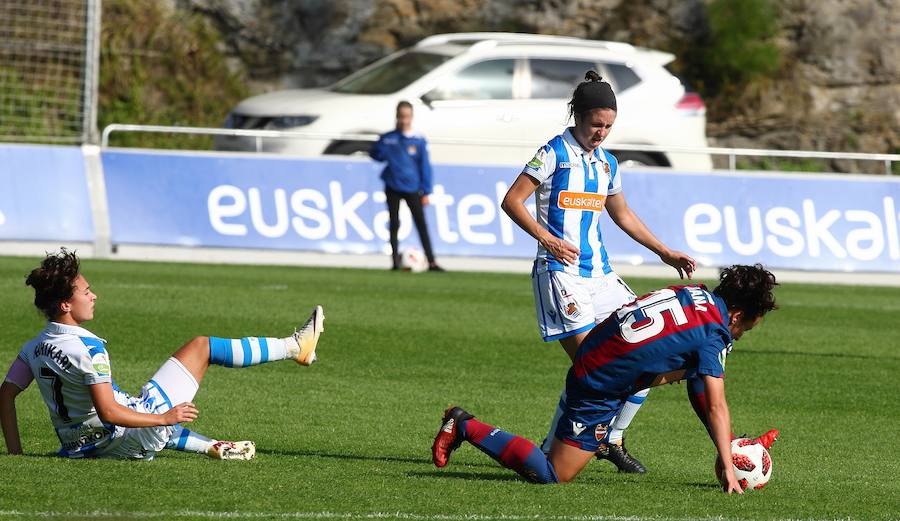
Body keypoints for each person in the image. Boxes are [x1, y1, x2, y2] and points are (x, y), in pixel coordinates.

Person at [432, 264, 779, 491]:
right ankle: (464, 425)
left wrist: (732, 447)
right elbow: (715, 405)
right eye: (748, 327)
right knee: (555, 473)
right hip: (600, 383)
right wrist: (731, 466)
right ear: (736, 315)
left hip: (599, 352)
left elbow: (698, 387)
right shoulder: (715, 333)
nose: (743, 333)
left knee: (690, 373)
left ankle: (577, 436)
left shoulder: (694, 292)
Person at [500, 70, 696, 472]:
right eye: (595, 125)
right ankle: (553, 444)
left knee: (647, 355)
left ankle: (612, 438)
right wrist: (548, 239)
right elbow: (512, 200)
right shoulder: (553, 152)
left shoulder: (607, 163)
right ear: (578, 117)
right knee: (597, 367)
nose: (602, 133)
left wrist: (664, 251)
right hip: (560, 273)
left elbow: (622, 214)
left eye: (608, 126)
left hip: (602, 276)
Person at [0, 249, 325, 460]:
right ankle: (296, 346)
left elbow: (5, 397)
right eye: (86, 292)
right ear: (66, 305)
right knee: (201, 347)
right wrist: (163, 419)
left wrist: (15, 454)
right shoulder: (89, 348)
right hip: (121, 442)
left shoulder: (32, 348)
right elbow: (110, 413)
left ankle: (214, 447)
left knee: (145, 404)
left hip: (78, 449)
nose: (94, 295)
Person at [370, 100, 444, 272]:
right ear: (397, 117)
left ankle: (432, 261)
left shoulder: (418, 140)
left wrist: (426, 190)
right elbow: (376, 155)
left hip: (413, 187)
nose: (404, 120)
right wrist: (381, 145)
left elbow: (424, 166)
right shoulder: (389, 138)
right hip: (393, 185)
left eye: (407, 117)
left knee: (421, 224)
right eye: (401, 117)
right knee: (394, 222)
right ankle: (395, 262)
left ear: (411, 117)